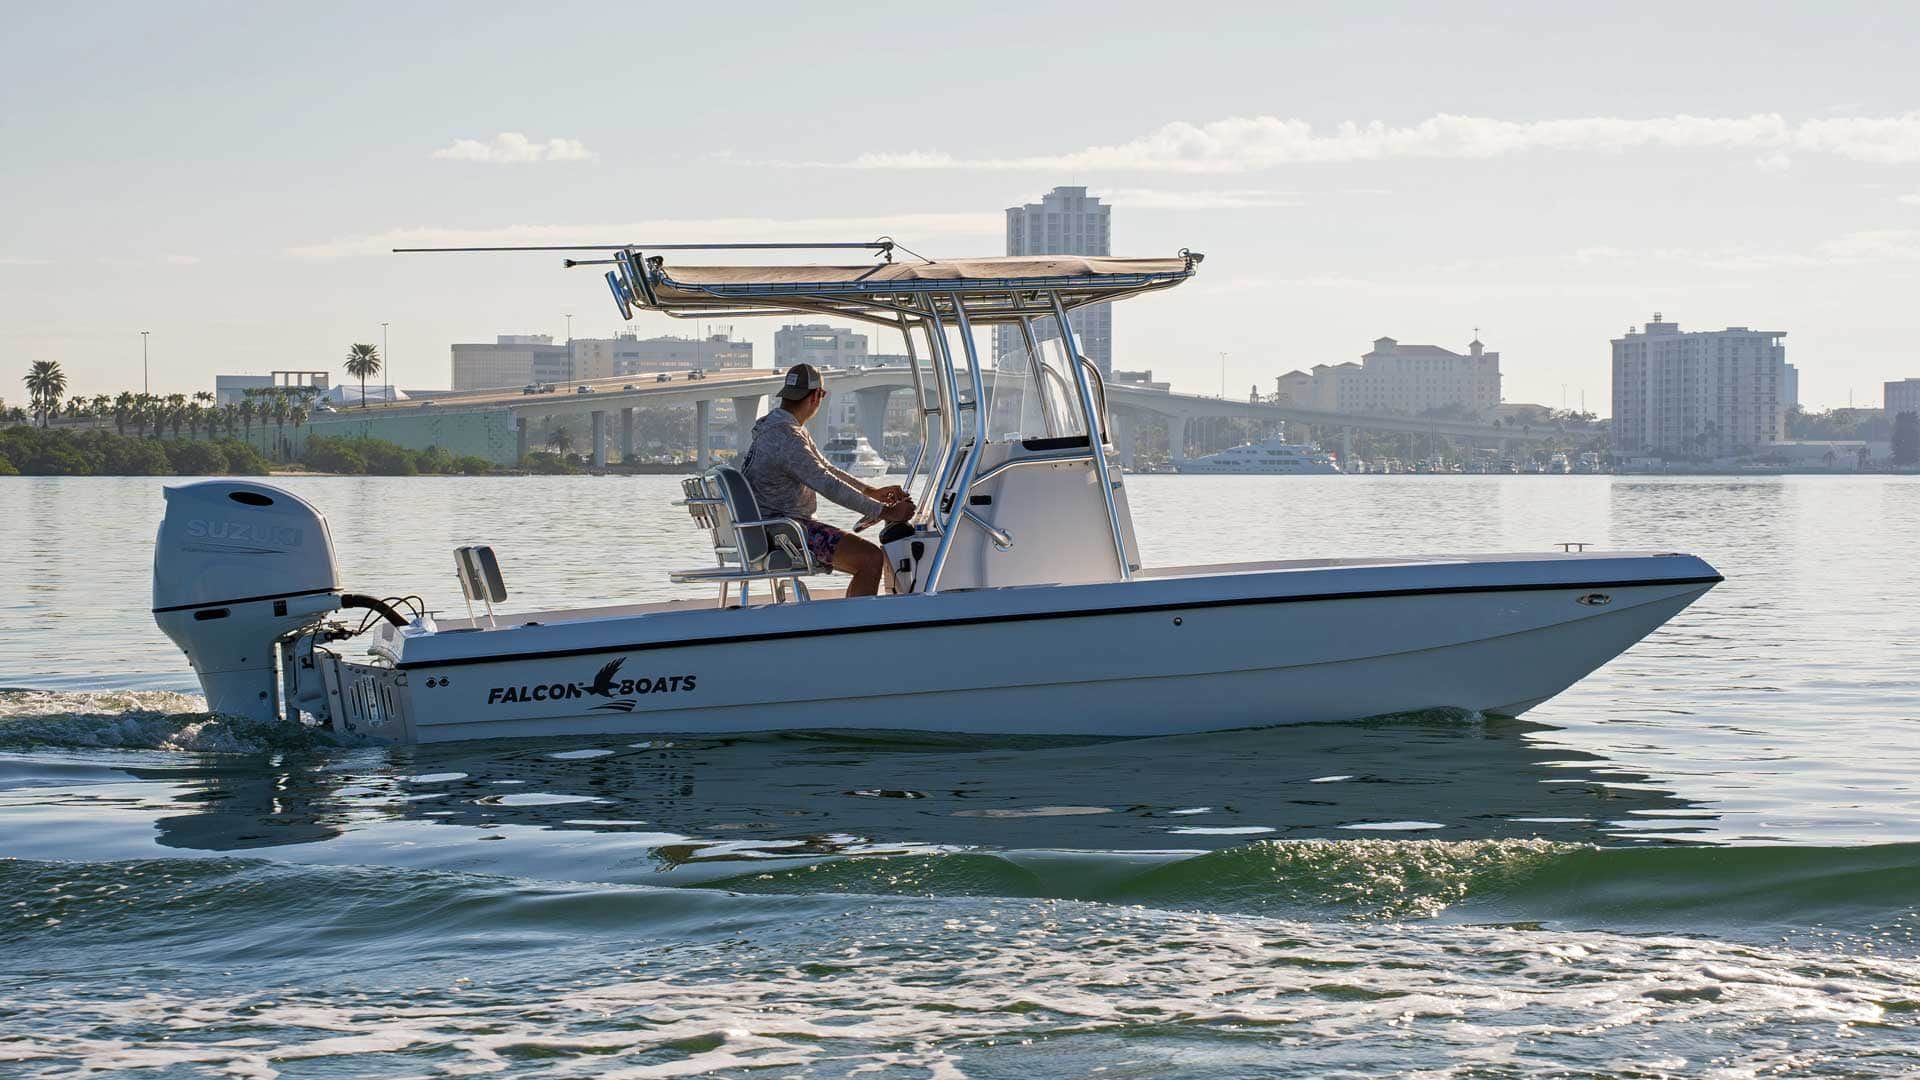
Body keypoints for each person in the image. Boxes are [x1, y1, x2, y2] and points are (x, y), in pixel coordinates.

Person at [739, 364, 915, 597]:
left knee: (866, 559)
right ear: (816, 396)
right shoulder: (786, 436)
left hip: (775, 526)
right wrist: (887, 513)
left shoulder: (780, 428)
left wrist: (871, 492)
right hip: (785, 530)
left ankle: (852, 623)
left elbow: (826, 468)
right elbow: (827, 484)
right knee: (870, 558)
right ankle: (857, 628)